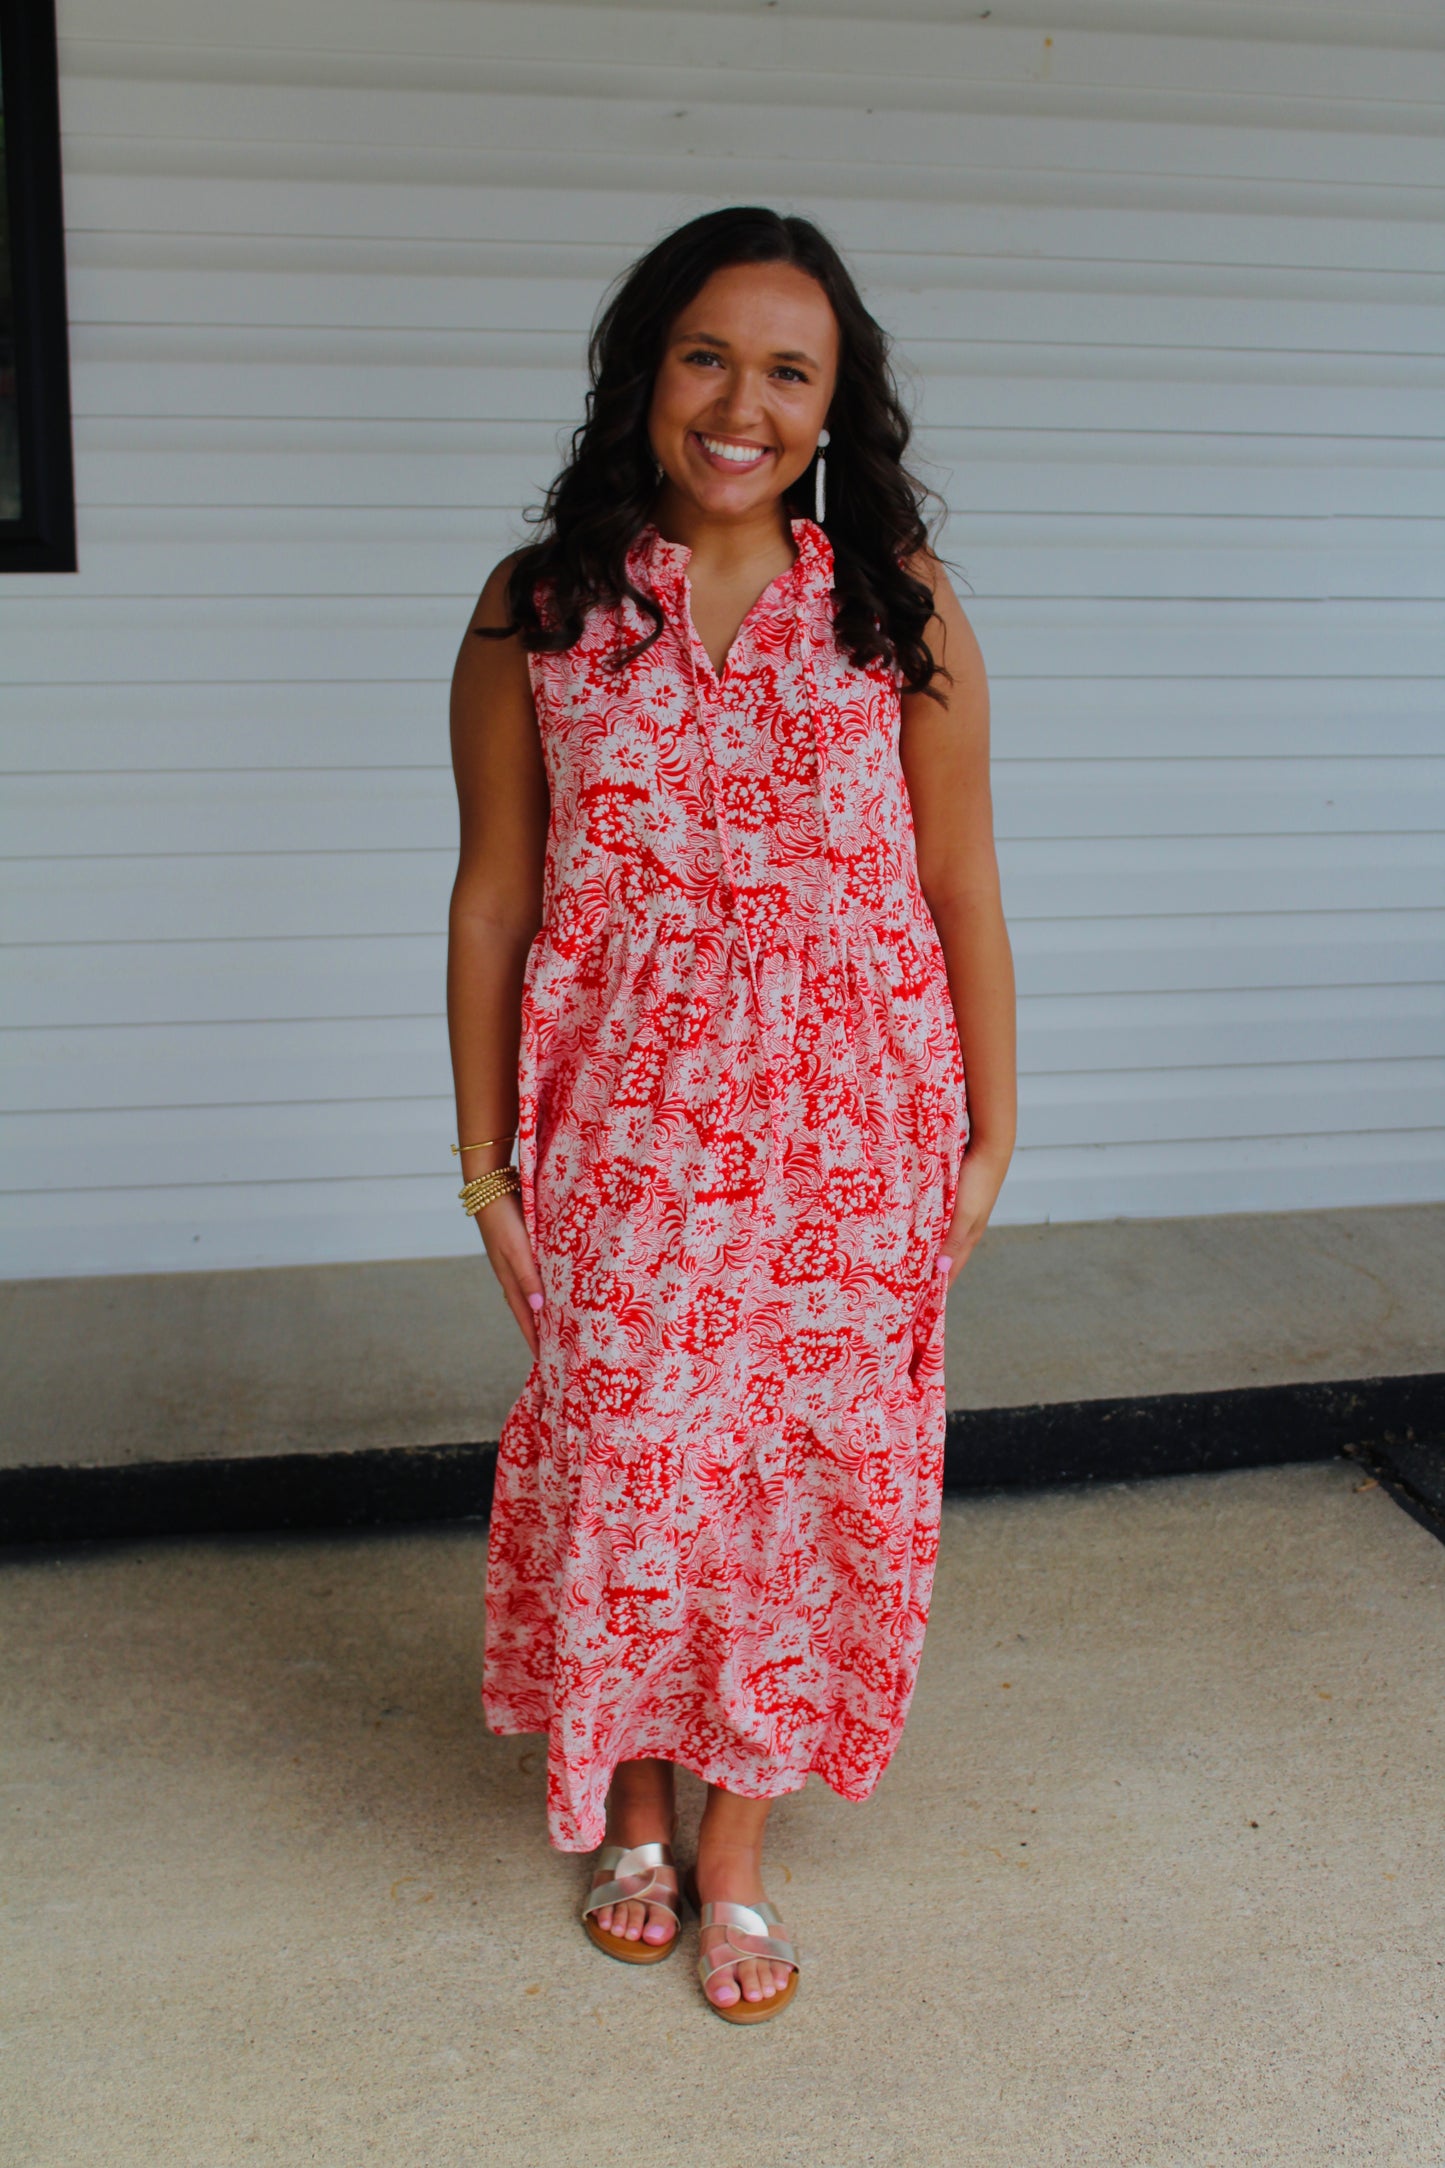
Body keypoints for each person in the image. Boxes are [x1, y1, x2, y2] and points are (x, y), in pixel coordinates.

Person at [446, 205, 1016, 2024]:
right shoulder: (539, 608)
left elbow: (959, 877)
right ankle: (629, 1807)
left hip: (858, 1131)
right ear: (643, 372)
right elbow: (490, 897)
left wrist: (991, 1134)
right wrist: (481, 1166)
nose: (741, 402)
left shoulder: (892, 604)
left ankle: (740, 1852)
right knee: (628, 1468)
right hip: (622, 1132)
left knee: (803, 1486)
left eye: (790, 369)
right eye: (707, 355)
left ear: (836, 402)